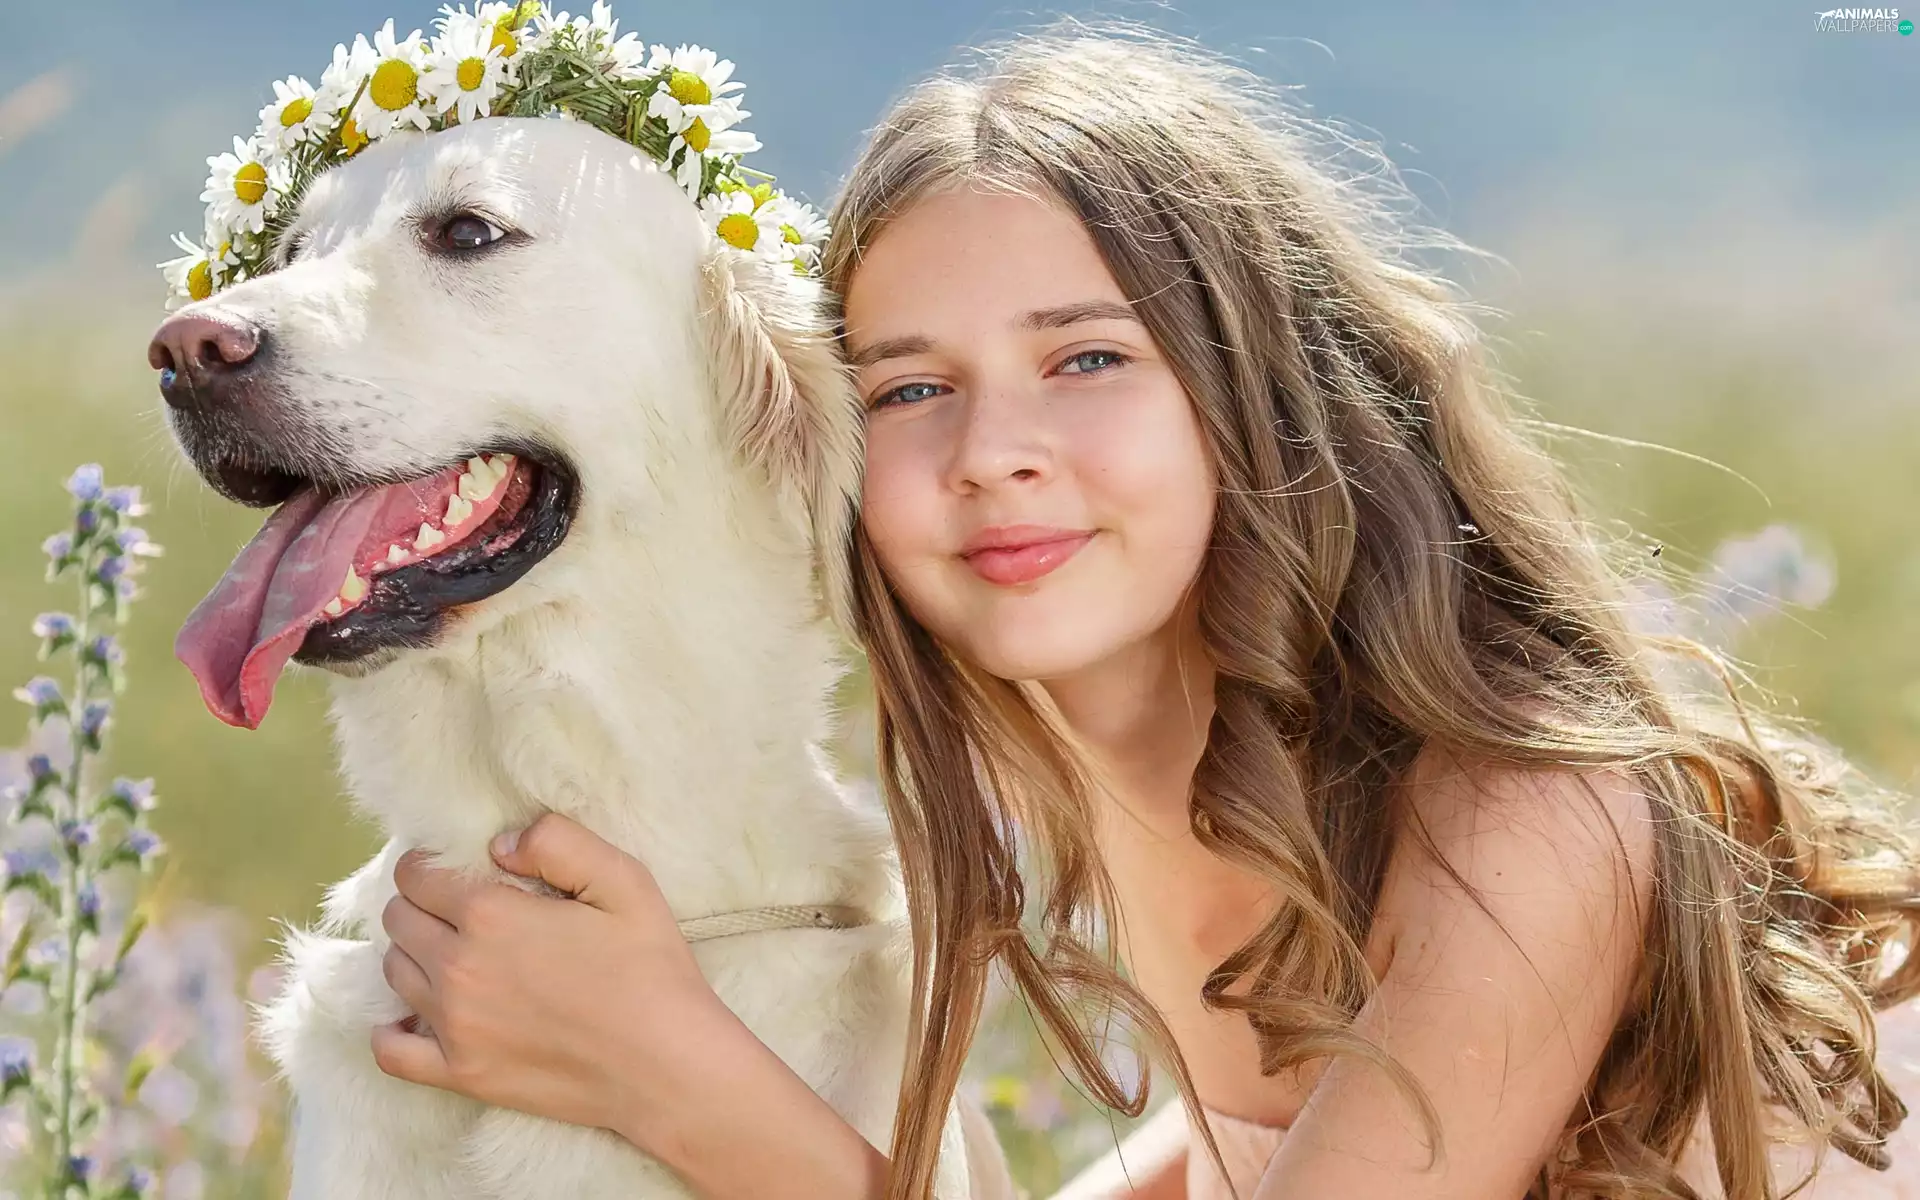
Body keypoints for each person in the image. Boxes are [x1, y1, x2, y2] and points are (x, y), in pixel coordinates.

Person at [366, 29, 1920, 1199]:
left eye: (1089, 357)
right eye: (912, 387)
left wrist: (677, 1075)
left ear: (1262, 393)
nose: (994, 452)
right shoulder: (1148, 803)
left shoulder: (1525, 818)